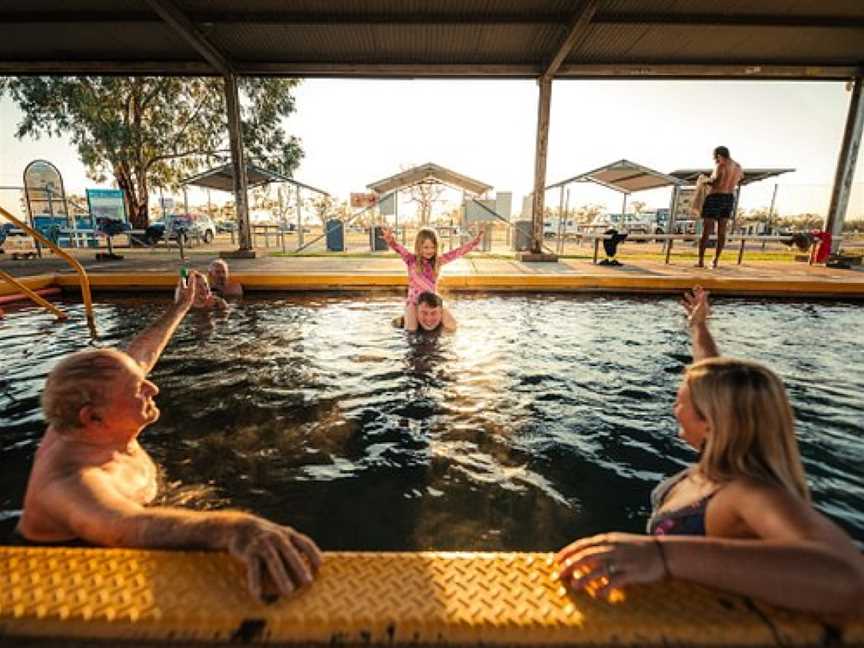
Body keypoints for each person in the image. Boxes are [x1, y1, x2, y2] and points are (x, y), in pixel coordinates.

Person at [555, 286, 864, 619]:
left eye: (680, 403)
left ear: (712, 423)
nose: (674, 410)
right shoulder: (723, 461)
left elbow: (849, 579)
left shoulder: (748, 491)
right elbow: (713, 374)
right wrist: (698, 327)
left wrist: (662, 556)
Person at [15, 271, 320, 602]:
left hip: (149, 503)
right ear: (94, 417)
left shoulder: (86, 421)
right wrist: (237, 529)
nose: (152, 387)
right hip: (74, 583)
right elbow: (127, 526)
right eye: (137, 388)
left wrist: (182, 307)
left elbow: (141, 356)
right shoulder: (73, 483)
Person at [381, 225, 483, 328]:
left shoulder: (438, 262)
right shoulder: (411, 260)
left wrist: (474, 243)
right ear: (418, 247)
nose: (429, 251)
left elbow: (457, 253)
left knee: (452, 325)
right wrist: (391, 241)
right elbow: (399, 249)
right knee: (411, 329)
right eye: (426, 247)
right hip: (414, 302)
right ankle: (406, 319)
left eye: (432, 247)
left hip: (433, 302)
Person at [696, 146, 743, 269]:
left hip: (715, 197)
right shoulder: (738, 167)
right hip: (728, 198)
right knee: (721, 232)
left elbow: (716, 182)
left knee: (706, 231)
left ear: (718, 155)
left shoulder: (720, 165)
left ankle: (700, 261)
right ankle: (715, 260)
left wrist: (704, 180)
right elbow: (740, 179)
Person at [392, 290, 457, 333]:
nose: (428, 318)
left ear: (441, 312)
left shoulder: (445, 325)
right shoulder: (402, 324)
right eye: (424, 313)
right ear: (416, 312)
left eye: (433, 313)